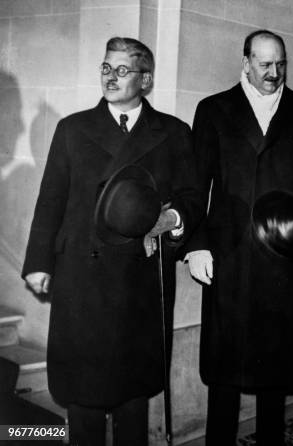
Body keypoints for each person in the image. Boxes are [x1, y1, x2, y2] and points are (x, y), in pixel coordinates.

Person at [21, 37, 203, 446]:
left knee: (132, 395)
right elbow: (51, 200)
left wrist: (170, 219)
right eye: (106, 68)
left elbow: (192, 198)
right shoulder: (73, 128)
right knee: (84, 397)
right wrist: (38, 262)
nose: (110, 77)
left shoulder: (173, 133)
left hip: (138, 279)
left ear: (146, 79)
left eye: (122, 70)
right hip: (82, 279)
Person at [184, 30, 293, 445]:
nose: (273, 73)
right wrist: (196, 244)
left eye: (280, 64)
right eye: (265, 64)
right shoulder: (213, 109)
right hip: (228, 256)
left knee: (275, 368)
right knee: (225, 371)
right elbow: (196, 185)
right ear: (245, 62)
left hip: (283, 258)